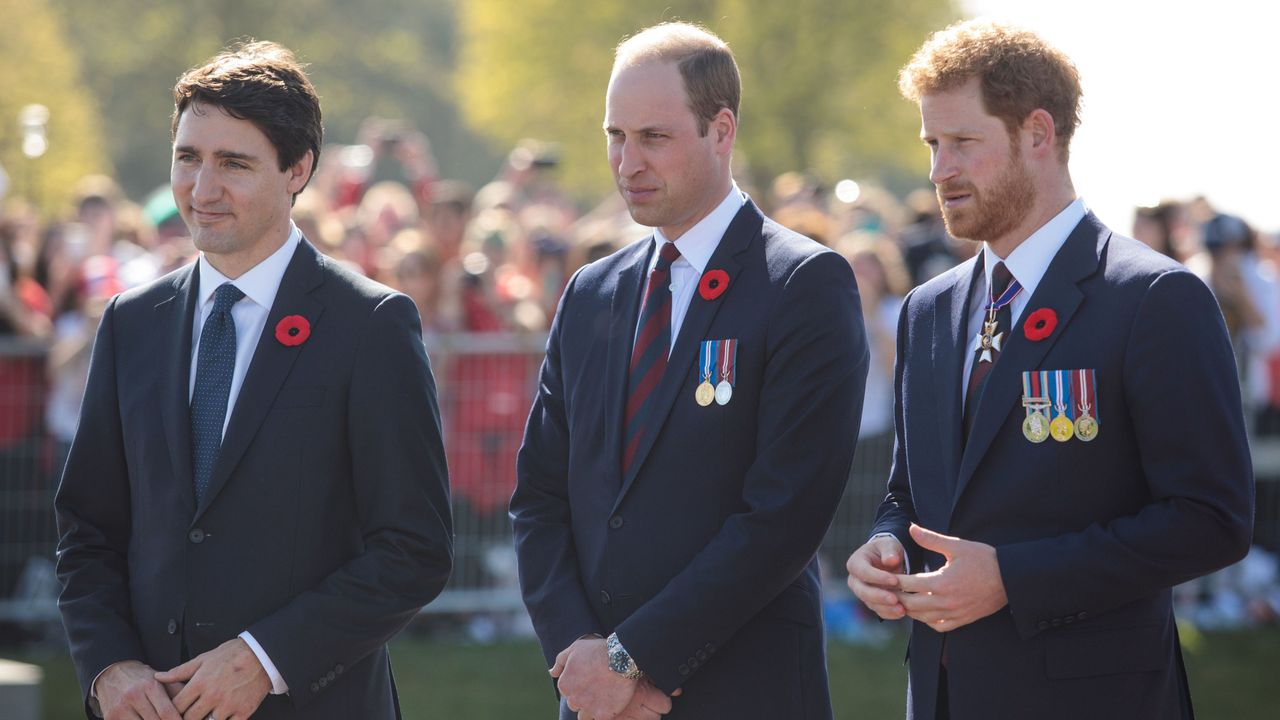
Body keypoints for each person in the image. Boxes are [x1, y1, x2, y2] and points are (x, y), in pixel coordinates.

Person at [845, 20, 1254, 720]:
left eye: (963, 143)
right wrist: (886, 544)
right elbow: (910, 489)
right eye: (932, 145)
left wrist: (1014, 578)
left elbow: (1211, 519)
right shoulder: (927, 310)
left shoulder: (1153, 298)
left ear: (1038, 133)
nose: (940, 170)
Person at [54, 41, 453, 720]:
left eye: (233, 164)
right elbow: (89, 528)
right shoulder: (132, 322)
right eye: (188, 158)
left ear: (298, 170)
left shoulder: (371, 325)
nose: (202, 189)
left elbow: (413, 548)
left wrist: (266, 660)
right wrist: (109, 668)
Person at [511, 21, 867, 720]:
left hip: (743, 690)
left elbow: (782, 517)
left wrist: (629, 658)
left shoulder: (802, 283)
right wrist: (578, 656)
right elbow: (541, 495)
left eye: (654, 137)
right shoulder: (592, 292)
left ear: (721, 130)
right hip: (594, 697)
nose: (627, 162)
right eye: (616, 136)